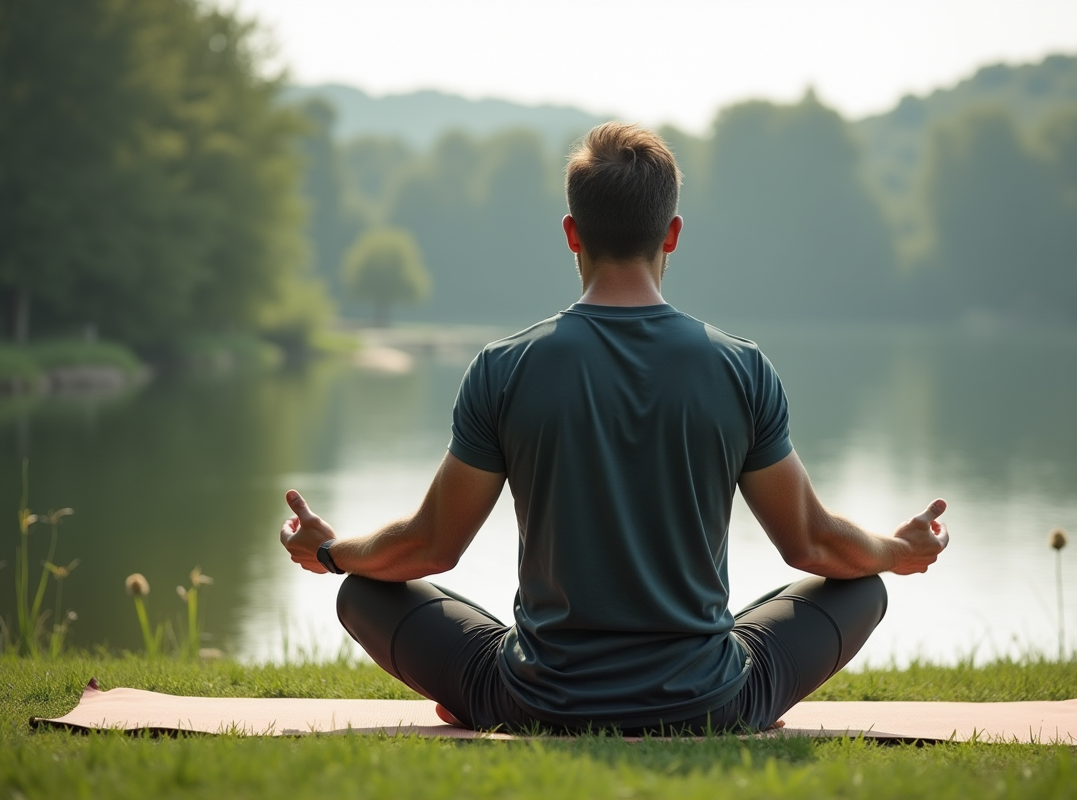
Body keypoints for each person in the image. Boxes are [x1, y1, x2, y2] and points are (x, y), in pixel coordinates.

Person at [280, 122, 949, 735]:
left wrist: (333, 552)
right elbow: (813, 545)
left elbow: (429, 548)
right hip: (709, 703)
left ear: (573, 233)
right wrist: (897, 550)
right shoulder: (741, 368)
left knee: (365, 589)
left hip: (536, 701)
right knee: (862, 584)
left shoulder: (503, 368)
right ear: (673, 233)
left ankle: (478, 694)